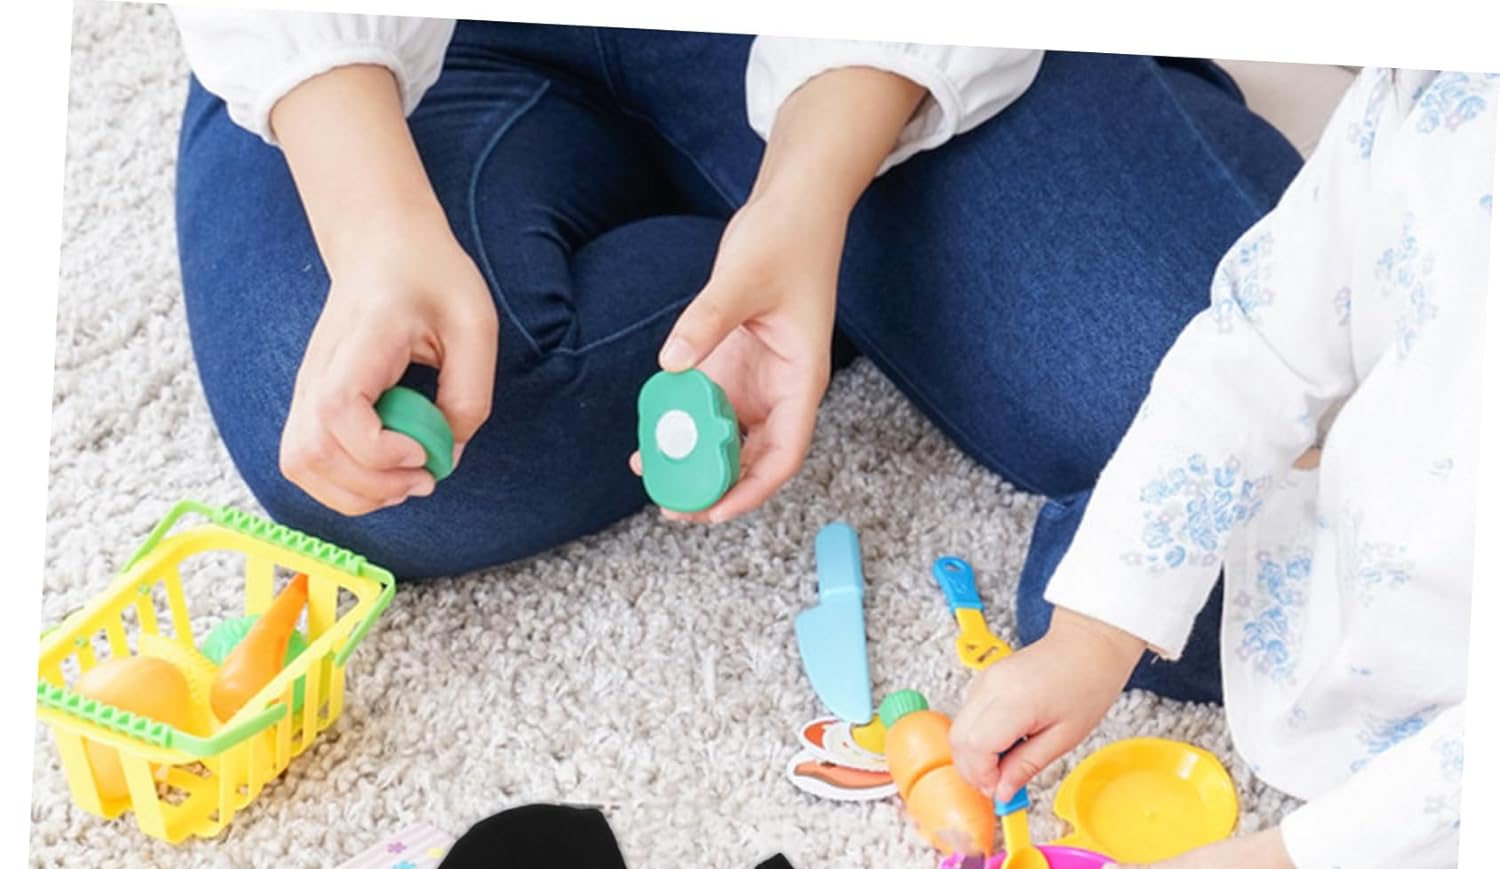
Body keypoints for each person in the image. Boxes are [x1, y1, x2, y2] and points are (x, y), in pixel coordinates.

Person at [171, 11, 1303, 577]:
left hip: (856, 32)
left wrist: (810, 187)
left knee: (1233, 417)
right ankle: (832, 263)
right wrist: (377, 230)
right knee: (369, 438)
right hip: (442, 39)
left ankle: (810, 239)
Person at [950, 68, 1494, 869]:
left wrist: (1296, 868)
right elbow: (1259, 345)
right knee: (1072, 580)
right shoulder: (1433, 84)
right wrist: (1097, 633)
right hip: (1396, 581)